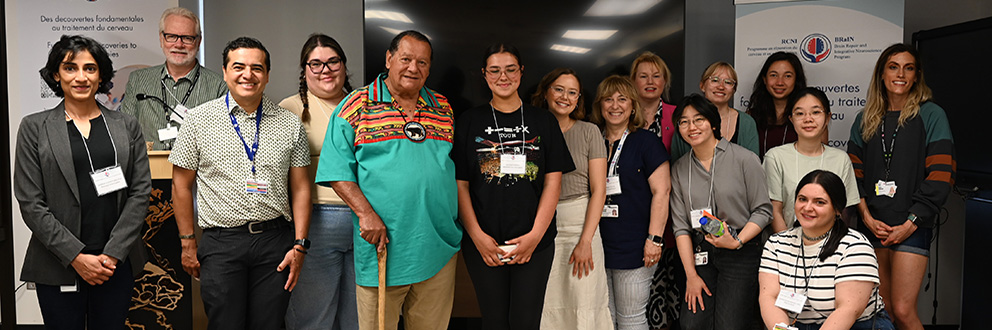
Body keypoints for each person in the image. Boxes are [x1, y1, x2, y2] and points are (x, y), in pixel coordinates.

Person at [316, 30, 463, 330]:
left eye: (422, 62)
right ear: (388, 59)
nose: (413, 68)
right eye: (406, 59)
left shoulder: (443, 108)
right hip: (384, 245)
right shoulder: (357, 104)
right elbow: (336, 171)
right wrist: (366, 214)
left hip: (438, 245)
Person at [170, 37, 312, 330]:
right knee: (225, 324)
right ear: (224, 71)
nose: (248, 75)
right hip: (221, 244)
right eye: (239, 67)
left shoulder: (289, 124)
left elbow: (300, 188)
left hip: (275, 242)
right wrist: (187, 242)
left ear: (267, 74)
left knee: (270, 324)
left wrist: (299, 245)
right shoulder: (198, 121)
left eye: (257, 68)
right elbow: (181, 186)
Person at [14, 34, 151, 329]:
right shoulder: (34, 128)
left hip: (114, 262)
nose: (81, 77)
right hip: (57, 262)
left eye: (90, 68)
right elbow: (30, 202)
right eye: (70, 68)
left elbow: (140, 193)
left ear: (101, 74)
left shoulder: (126, 125)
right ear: (55, 74)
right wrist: (75, 256)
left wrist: (113, 255)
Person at [455, 43, 574, 330]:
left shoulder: (543, 121)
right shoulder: (469, 121)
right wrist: (477, 237)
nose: (503, 76)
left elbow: (552, 183)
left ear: (521, 72)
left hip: (535, 242)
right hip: (484, 242)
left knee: (526, 322)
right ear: (484, 75)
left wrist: (534, 236)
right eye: (494, 70)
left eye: (510, 69)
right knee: (494, 321)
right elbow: (460, 185)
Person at [847, 43, 954, 330]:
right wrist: (867, 218)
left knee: (905, 310)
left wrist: (911, 222)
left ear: (917, 75)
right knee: (885, 310)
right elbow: (852, 174)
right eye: (893, 67)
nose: (901, 74)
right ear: (882, 74)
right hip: (873, 226)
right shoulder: (865, 118)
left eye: (909, 68)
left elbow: (942, 172)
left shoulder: (931, 115)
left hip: (911, 225)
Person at [669, 94, 772, 330]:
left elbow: (763, 211)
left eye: (699, 119)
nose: (691, 127)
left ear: (713, 123)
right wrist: (691, 276)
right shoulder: (679, 168)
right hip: (700, 252)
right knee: (692, 323)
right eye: (684, 122)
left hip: (741, 249)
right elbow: (681, 228)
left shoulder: (745, 159)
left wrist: (736, 241)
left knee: (730, 325)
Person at [279, 33, 358, 330]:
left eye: (332, 61)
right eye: (316, 64)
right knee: (313, 317)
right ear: (304, 70)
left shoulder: (364, 105)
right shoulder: (289, 110)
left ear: (343, 65)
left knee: (358, 317)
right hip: (316, 224)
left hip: (366, 223)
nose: (325, 69)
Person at [759, 170, 894, 330]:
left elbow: (847, 310)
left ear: (837, 209)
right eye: (802, 199)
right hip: (797, 325)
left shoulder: (855, 245)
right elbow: (769, 298)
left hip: (855, 326)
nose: (807, 208)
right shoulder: (777, 243)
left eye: (819, 202)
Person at [531, 68, 613, 330]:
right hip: (541, 226)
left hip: (581, 224)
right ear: (545, 92)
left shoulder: (590, 132)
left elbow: (599, 190)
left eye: (572, 92)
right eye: (559, 89)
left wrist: (585, 241)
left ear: (578, 100)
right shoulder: (532, 130)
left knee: (585, 301)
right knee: (547, 303)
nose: (565, 97)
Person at [588, 75, 670, 330]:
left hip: (635, 246)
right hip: (598, 245)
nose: (615, 105)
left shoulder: (646, 142)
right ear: (599, 106)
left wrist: (654, 239)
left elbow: (662, 192)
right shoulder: (593, 141)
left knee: (631, 318)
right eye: (608, 99)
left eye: (622, 99)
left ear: (633, 106)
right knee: (605, 316)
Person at [120, 7, 226, 150]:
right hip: (149, 170)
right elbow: (125, 132)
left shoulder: (219, 86)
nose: (179, 44)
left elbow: (222, 140)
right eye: (171, 36)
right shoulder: (138, 80)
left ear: (199, 41)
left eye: (187, 38)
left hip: (196, 171)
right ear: (161, 39)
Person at [764, 88, 859, 233]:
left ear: (827, 117)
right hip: (786, 246)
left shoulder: (841, 159)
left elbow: (845, 212)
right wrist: (787, 246)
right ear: (791, 119)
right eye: (800, 113)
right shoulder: (776, 157)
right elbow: (774, 210)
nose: (808, 119)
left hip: (830, 246)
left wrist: (832, 246)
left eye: (815, 112)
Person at [670, 62, 759, 160]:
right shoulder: (685, 121)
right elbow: (677, 166)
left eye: (728, 82)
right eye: (715, 80)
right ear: (702, 86)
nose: (721, 87)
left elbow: (752, 166)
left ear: (734, 89)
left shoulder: (746, 123)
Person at [746, 52, 808, 159]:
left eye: (787, 76)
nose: (780, 82)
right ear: (764, 79)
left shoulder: (809, 118)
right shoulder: (750, 117)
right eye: (773, 75)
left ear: (796, 80)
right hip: (759, 175)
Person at [630, 51, 677, 151]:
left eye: (656, 76)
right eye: (643, 76)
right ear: (633, 81)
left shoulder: (678, 114)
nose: (650, 82)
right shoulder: (625, 114)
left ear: (664, 81)